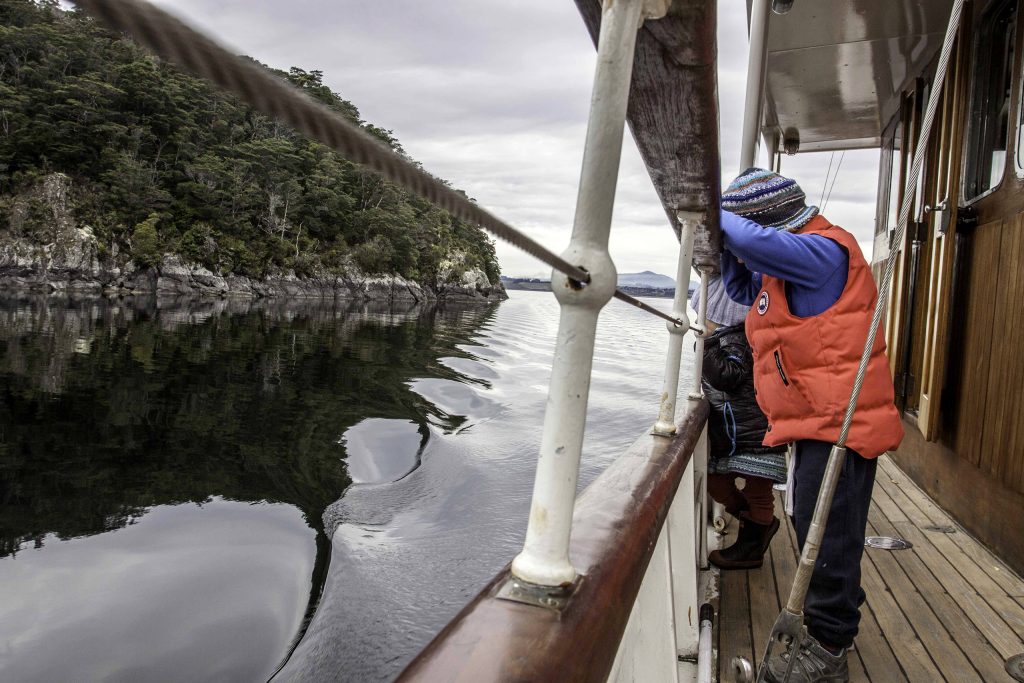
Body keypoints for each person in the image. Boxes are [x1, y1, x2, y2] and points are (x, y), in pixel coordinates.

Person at [718, 168, 904, 683]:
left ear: (771, 226)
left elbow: (750, 242)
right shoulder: (787, 269)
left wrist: (706, 209)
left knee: (829, 537)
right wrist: (722, 255)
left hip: (840, 427)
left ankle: (828, 650)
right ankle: (830, 624)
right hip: (812, 422)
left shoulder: (824, 253)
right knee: (811, 525)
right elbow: (744, 288)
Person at [690, 278, 787, 570]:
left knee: (759, 490)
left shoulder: (738, 339)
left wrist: (705, 345)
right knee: (718, 484)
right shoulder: (727, 339)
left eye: (700, 317)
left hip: (755, 432)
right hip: (737, 432)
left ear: (719, 317)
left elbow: (728, 376)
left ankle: (752, 548)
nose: (697, 323)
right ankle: (759, 525)